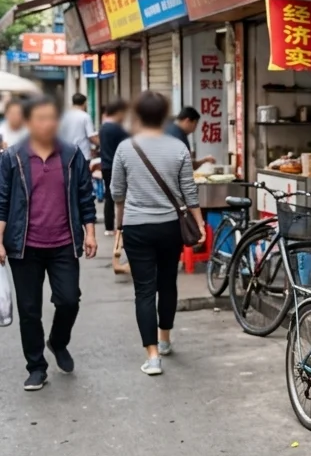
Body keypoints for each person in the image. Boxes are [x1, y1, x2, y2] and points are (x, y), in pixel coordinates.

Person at [0, 95, 98, 390]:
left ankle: (57, 340)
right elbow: (2, 201)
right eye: (40, 118)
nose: (47, 124)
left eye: (51, 118)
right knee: (29, 310)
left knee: (69, 299)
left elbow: (85, 196)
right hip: (24, 246)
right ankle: (36, 367)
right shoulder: (12, 157)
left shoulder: (71, 155)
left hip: (63, 243)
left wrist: (90, 232)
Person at [111, 90, 204, 376]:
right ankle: (164, 340)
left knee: (144, 291)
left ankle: (152, 357)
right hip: (169, 228)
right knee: (168, 282)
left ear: (137, 115)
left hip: (137, 227)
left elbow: (117, 192)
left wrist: (119, 225)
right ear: (166, 116)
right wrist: (199, 223)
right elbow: (189, 192)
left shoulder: (125, 148)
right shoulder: (178, 148)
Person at [99, 99, 130, 236]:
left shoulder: (104, 127)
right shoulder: (118, 129)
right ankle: (120, 225)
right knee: (118, 196)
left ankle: (108, 227)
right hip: (116, 165)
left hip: (105, 164)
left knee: (109, 195)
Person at [59, 92, 98, 162]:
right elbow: (91, 136)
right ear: (84, 103)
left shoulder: (64, 116)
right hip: (83, 154)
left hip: (67, 154)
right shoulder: (85, 116)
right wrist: (101, 144)